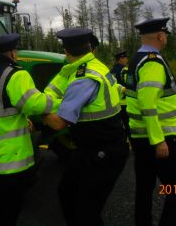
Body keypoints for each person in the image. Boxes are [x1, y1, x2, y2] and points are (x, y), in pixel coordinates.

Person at [43, 28, 129, 226]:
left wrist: (35, 110)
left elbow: (58, 123)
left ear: (66, 51)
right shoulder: (95, 65)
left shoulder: (83, 79)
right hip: (93, 147)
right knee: (66, 191)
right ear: (90, 48)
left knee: (87, 212)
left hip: (103, 152)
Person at [0, 33, 54, 226]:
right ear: (13, 53)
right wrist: (60, 102)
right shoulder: (16, 74)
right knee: (7, 214)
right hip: (8, 165)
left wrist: (22, 118)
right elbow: (35, 104)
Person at [126, 18, 176, 226]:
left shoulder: (137, 58)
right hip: (161, 137)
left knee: (145, 187)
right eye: (165, 35)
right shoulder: (152, 61)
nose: (165, 39)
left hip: (140, 136)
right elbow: (147, 102)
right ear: (160, 36)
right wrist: (158, 140)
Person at [110, 50, 130, 137]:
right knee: (128, 126)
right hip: (125, 102)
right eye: (125, 57)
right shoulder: (124, 70)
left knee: (118, 127)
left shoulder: (111, 71)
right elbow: (130, 84)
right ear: (121, 58)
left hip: (115, 103)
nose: (127, 59)